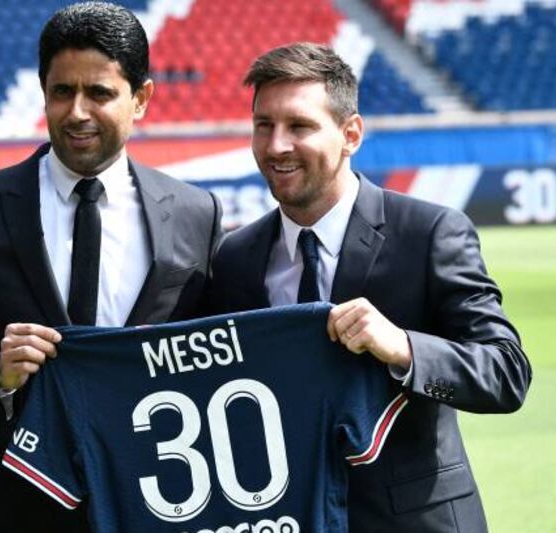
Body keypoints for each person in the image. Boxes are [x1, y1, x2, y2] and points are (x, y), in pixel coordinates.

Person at [0, 3, 222, 532]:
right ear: (43, 92)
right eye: (62, 92)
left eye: (100, 93)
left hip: (161, 510)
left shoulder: (195, 213)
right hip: (17, 513)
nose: (77, 112)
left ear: (142, 99)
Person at [210, 42, 531, 532]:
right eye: (263, 125)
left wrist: (403, 348)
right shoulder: (235, 258)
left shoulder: (430, 233)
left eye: (299, 126)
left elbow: (506, 373)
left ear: (351, 134)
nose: (276, 146)